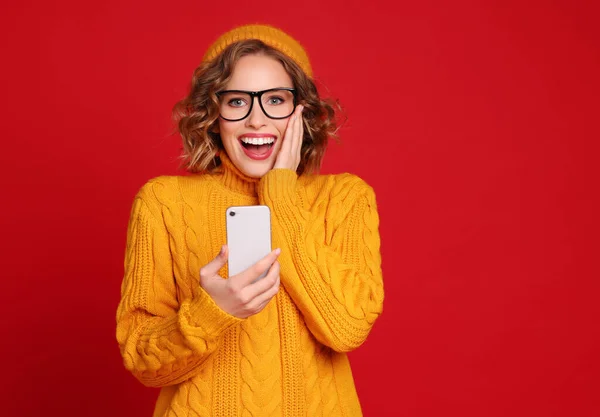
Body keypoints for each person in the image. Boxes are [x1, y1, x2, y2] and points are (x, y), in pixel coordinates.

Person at [116, 24, 384, 416]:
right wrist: (211, 311)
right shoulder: (162, 202)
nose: (256, 120)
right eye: (238, 101)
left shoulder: (345, 199)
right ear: (212, 113)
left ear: (301, 111)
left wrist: (280, 191)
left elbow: (346, 328)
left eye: (275, 100)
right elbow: (141, 359)